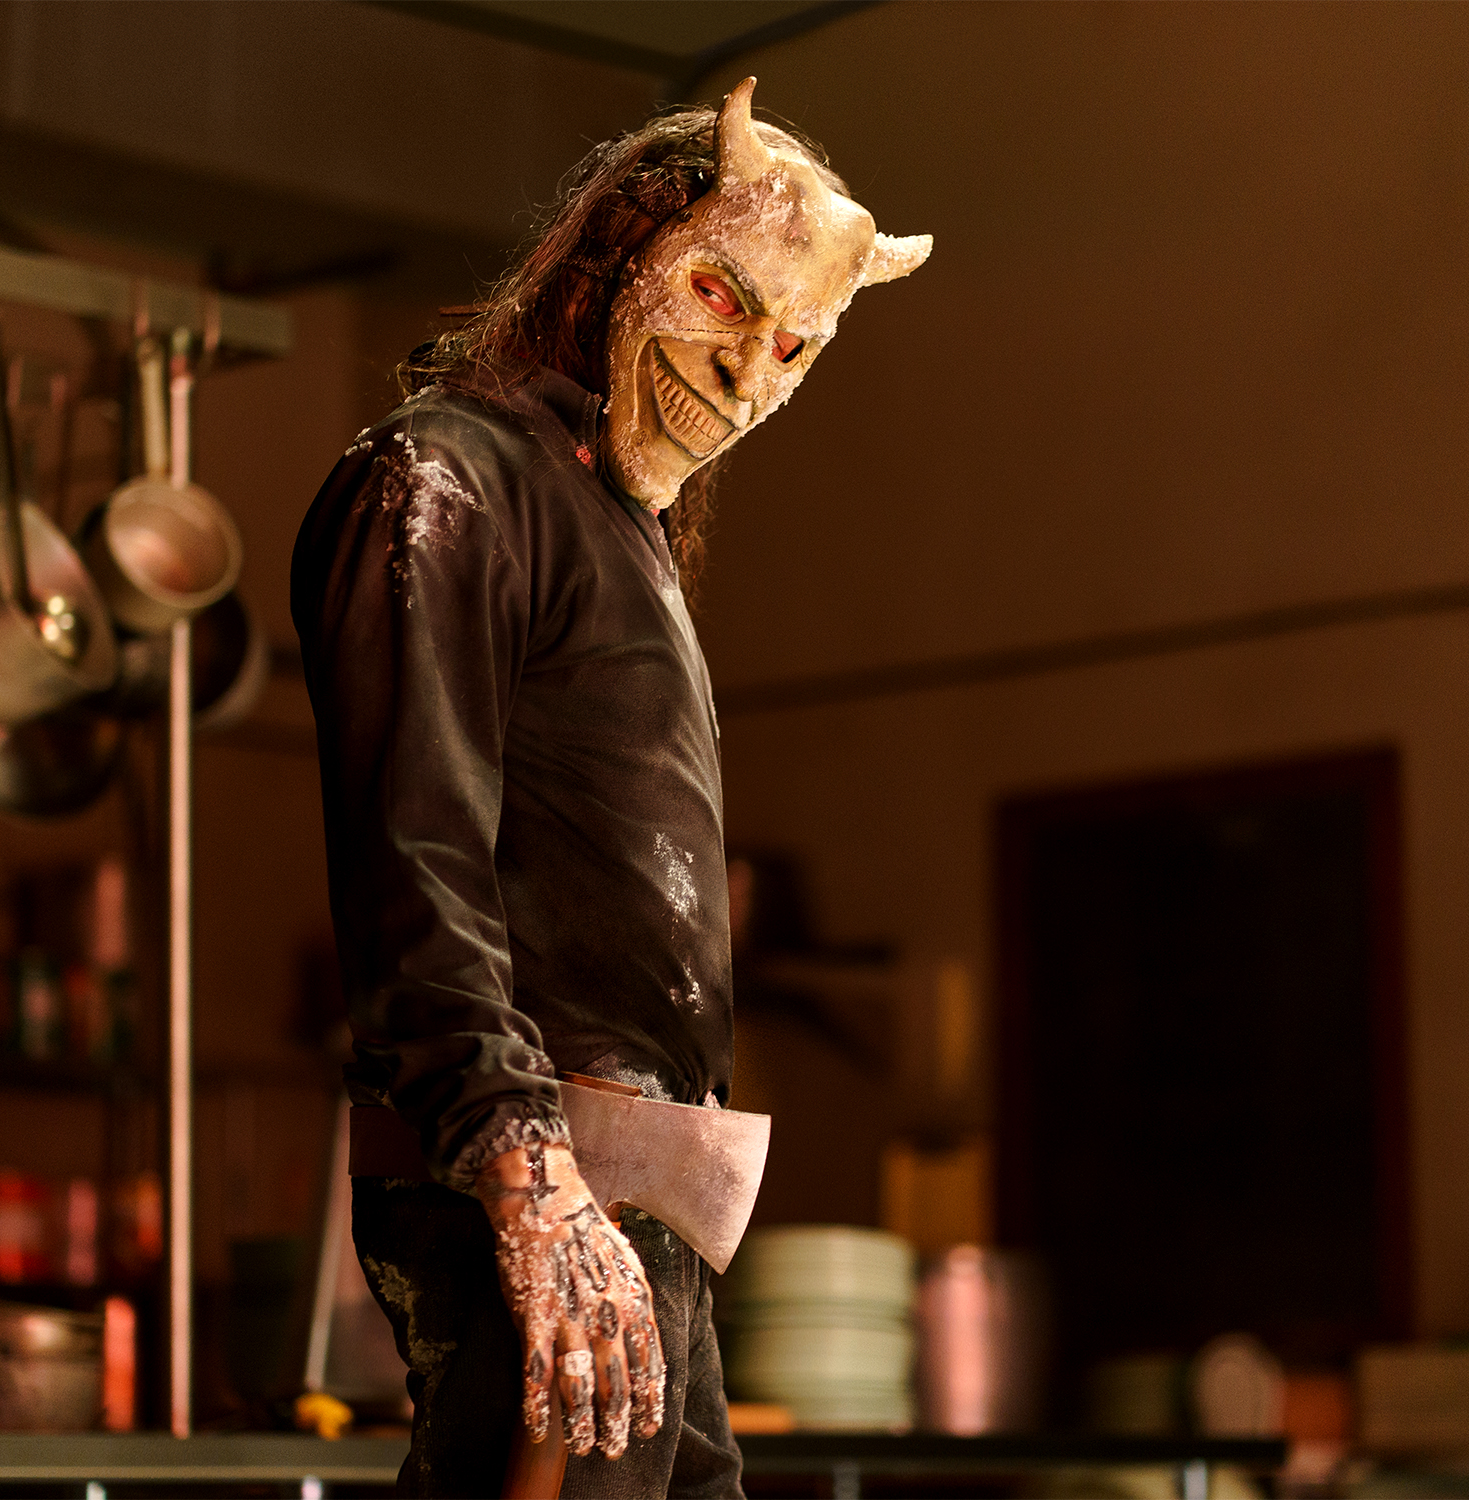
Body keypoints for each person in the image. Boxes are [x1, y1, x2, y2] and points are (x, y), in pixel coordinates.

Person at [290, 77, 930, 1499]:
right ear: (618, 255)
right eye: (722, 296)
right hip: (548, 1173)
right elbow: (419, 860)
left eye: (798, 346)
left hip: (635, 1191)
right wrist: (526, 1170)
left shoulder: (608, 523)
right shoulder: (443, 481)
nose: (751, 375)